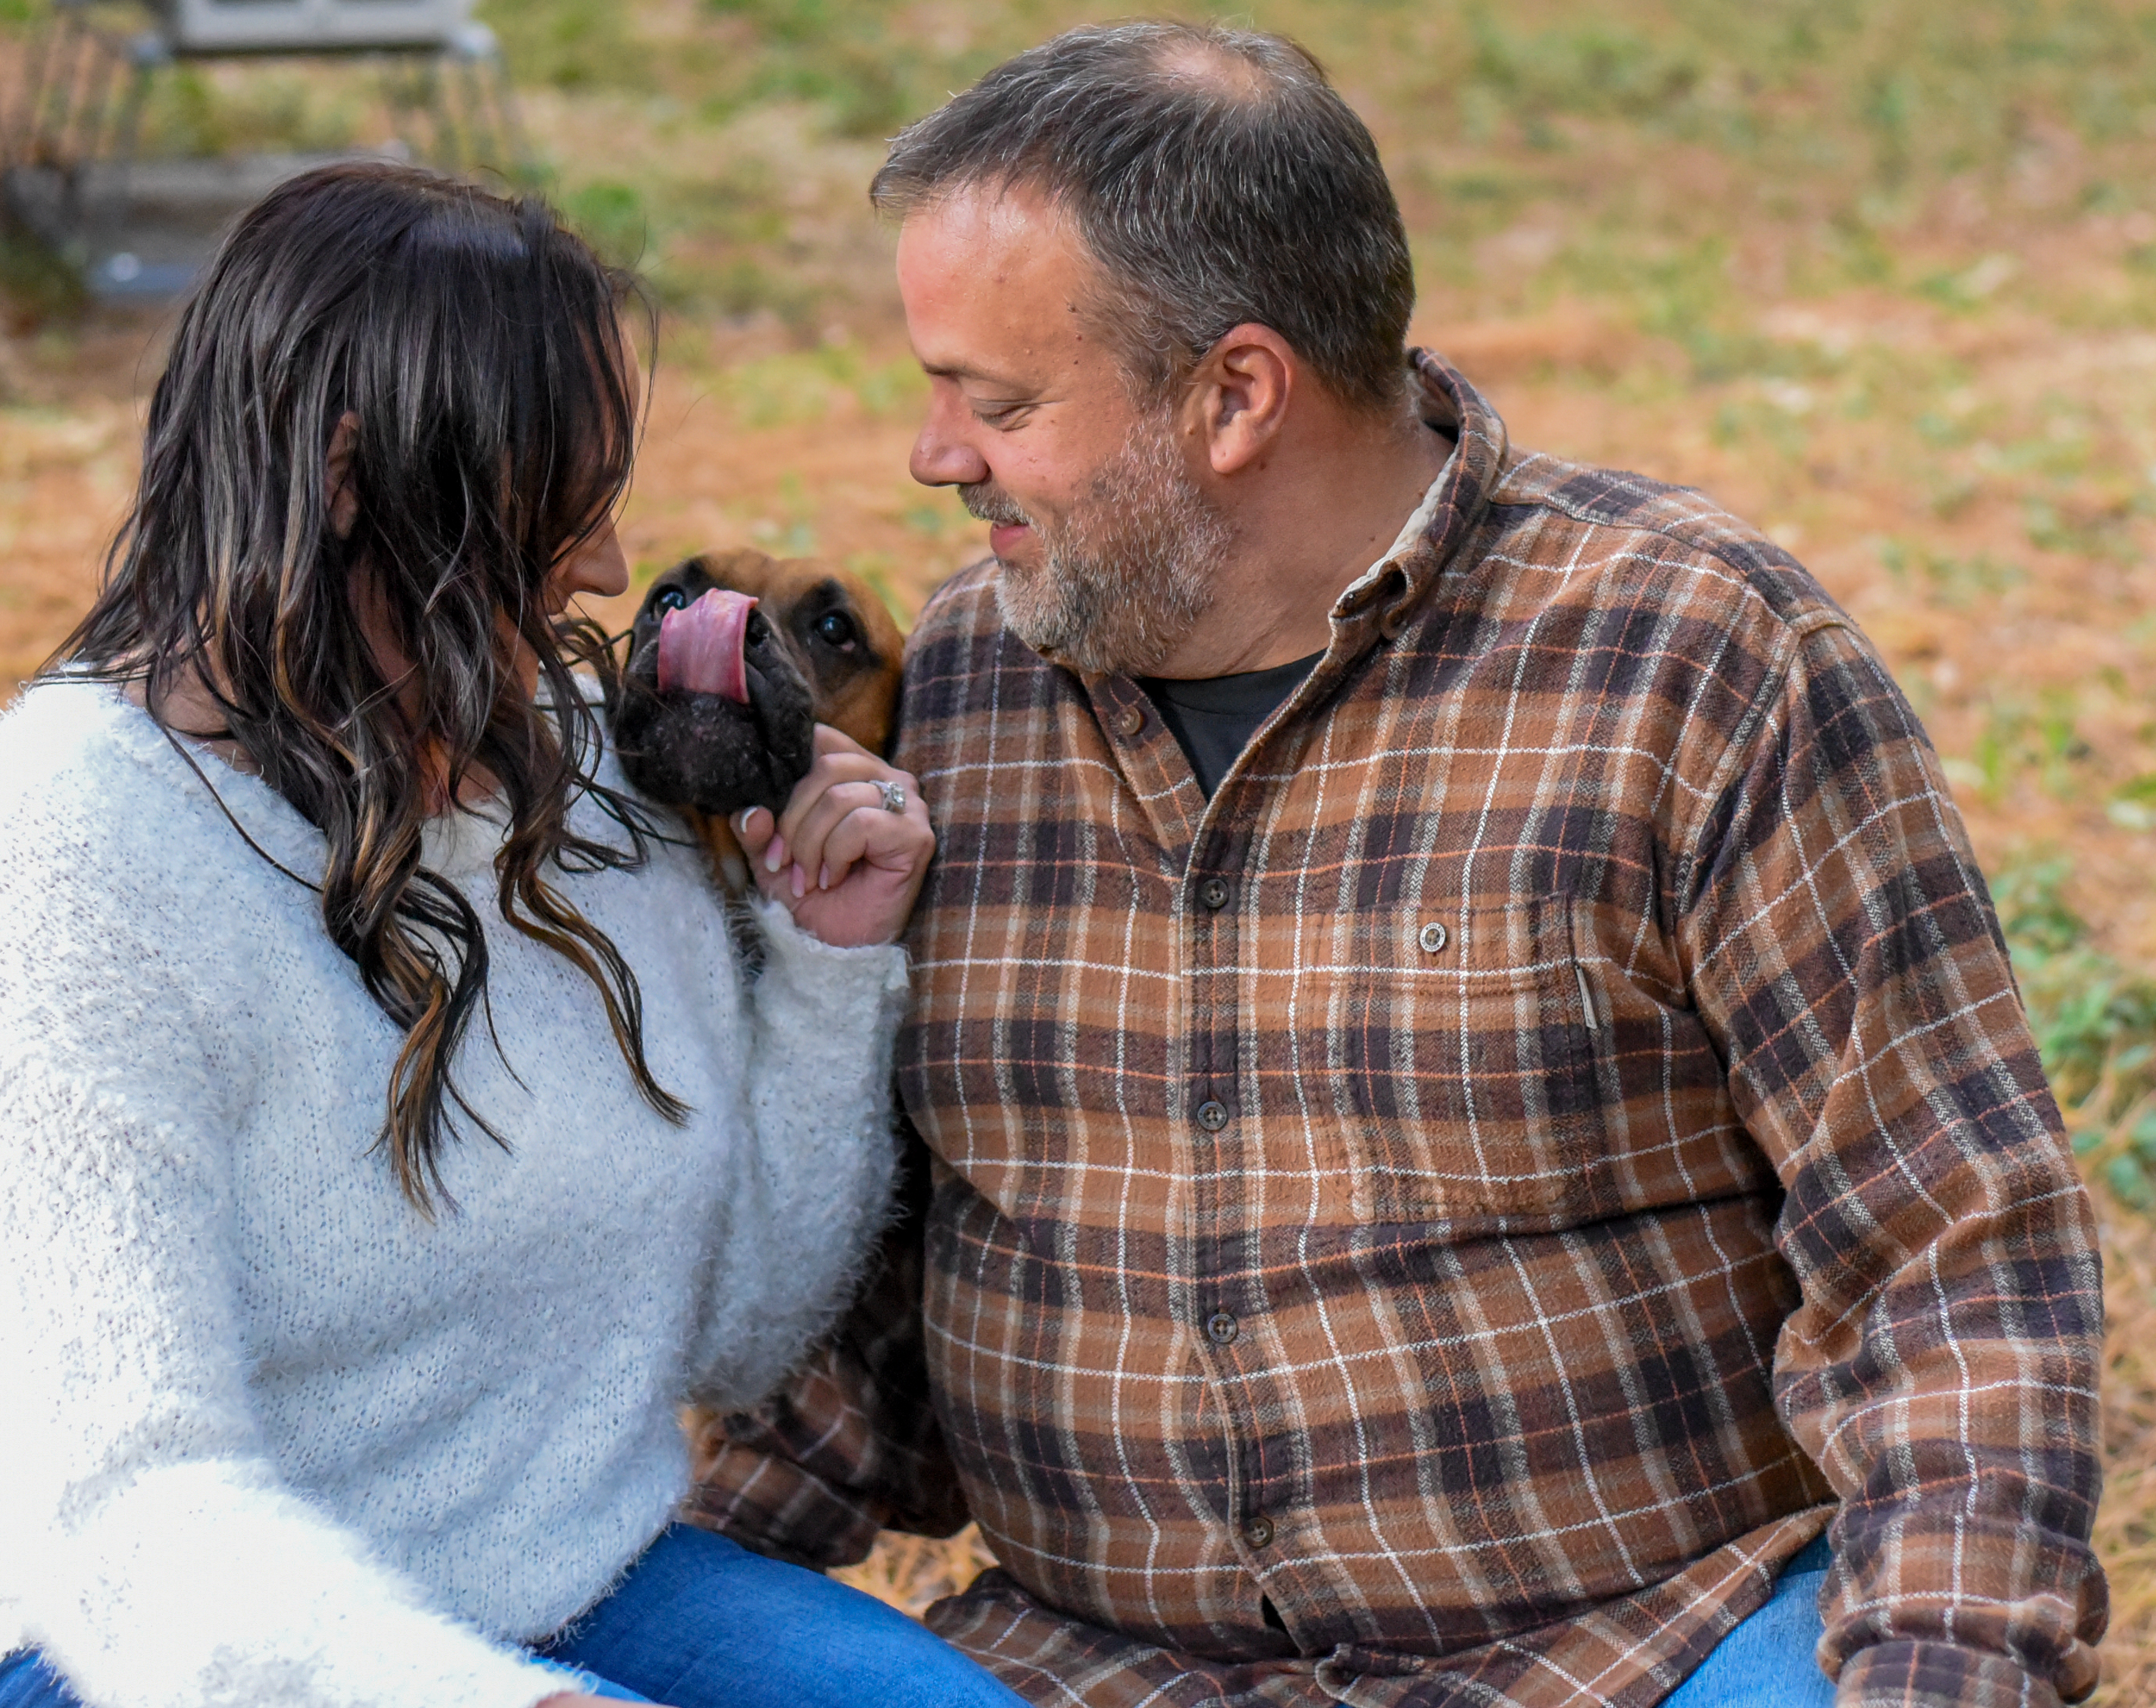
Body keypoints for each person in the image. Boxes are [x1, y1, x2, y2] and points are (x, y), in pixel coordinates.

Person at [690, 24, 2108, 1708]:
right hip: (1089, 1677)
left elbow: (1952, 1255)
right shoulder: (964, 687)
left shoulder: (1689, 661)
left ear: (1235, 395)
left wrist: (1936, 1676)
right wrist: (679, 1584)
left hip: (1641, 1655)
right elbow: (891, 1282)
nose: (935, 456)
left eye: (997, 404)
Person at [0, 163, 1026, 1708]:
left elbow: (732, 1340)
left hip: (546, 1578)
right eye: (558, 506)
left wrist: (829, 968)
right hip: (101, 1644)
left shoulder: (601, 785)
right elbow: (124, 1513)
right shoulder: (50, 857)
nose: (605, 571)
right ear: (347, 479)